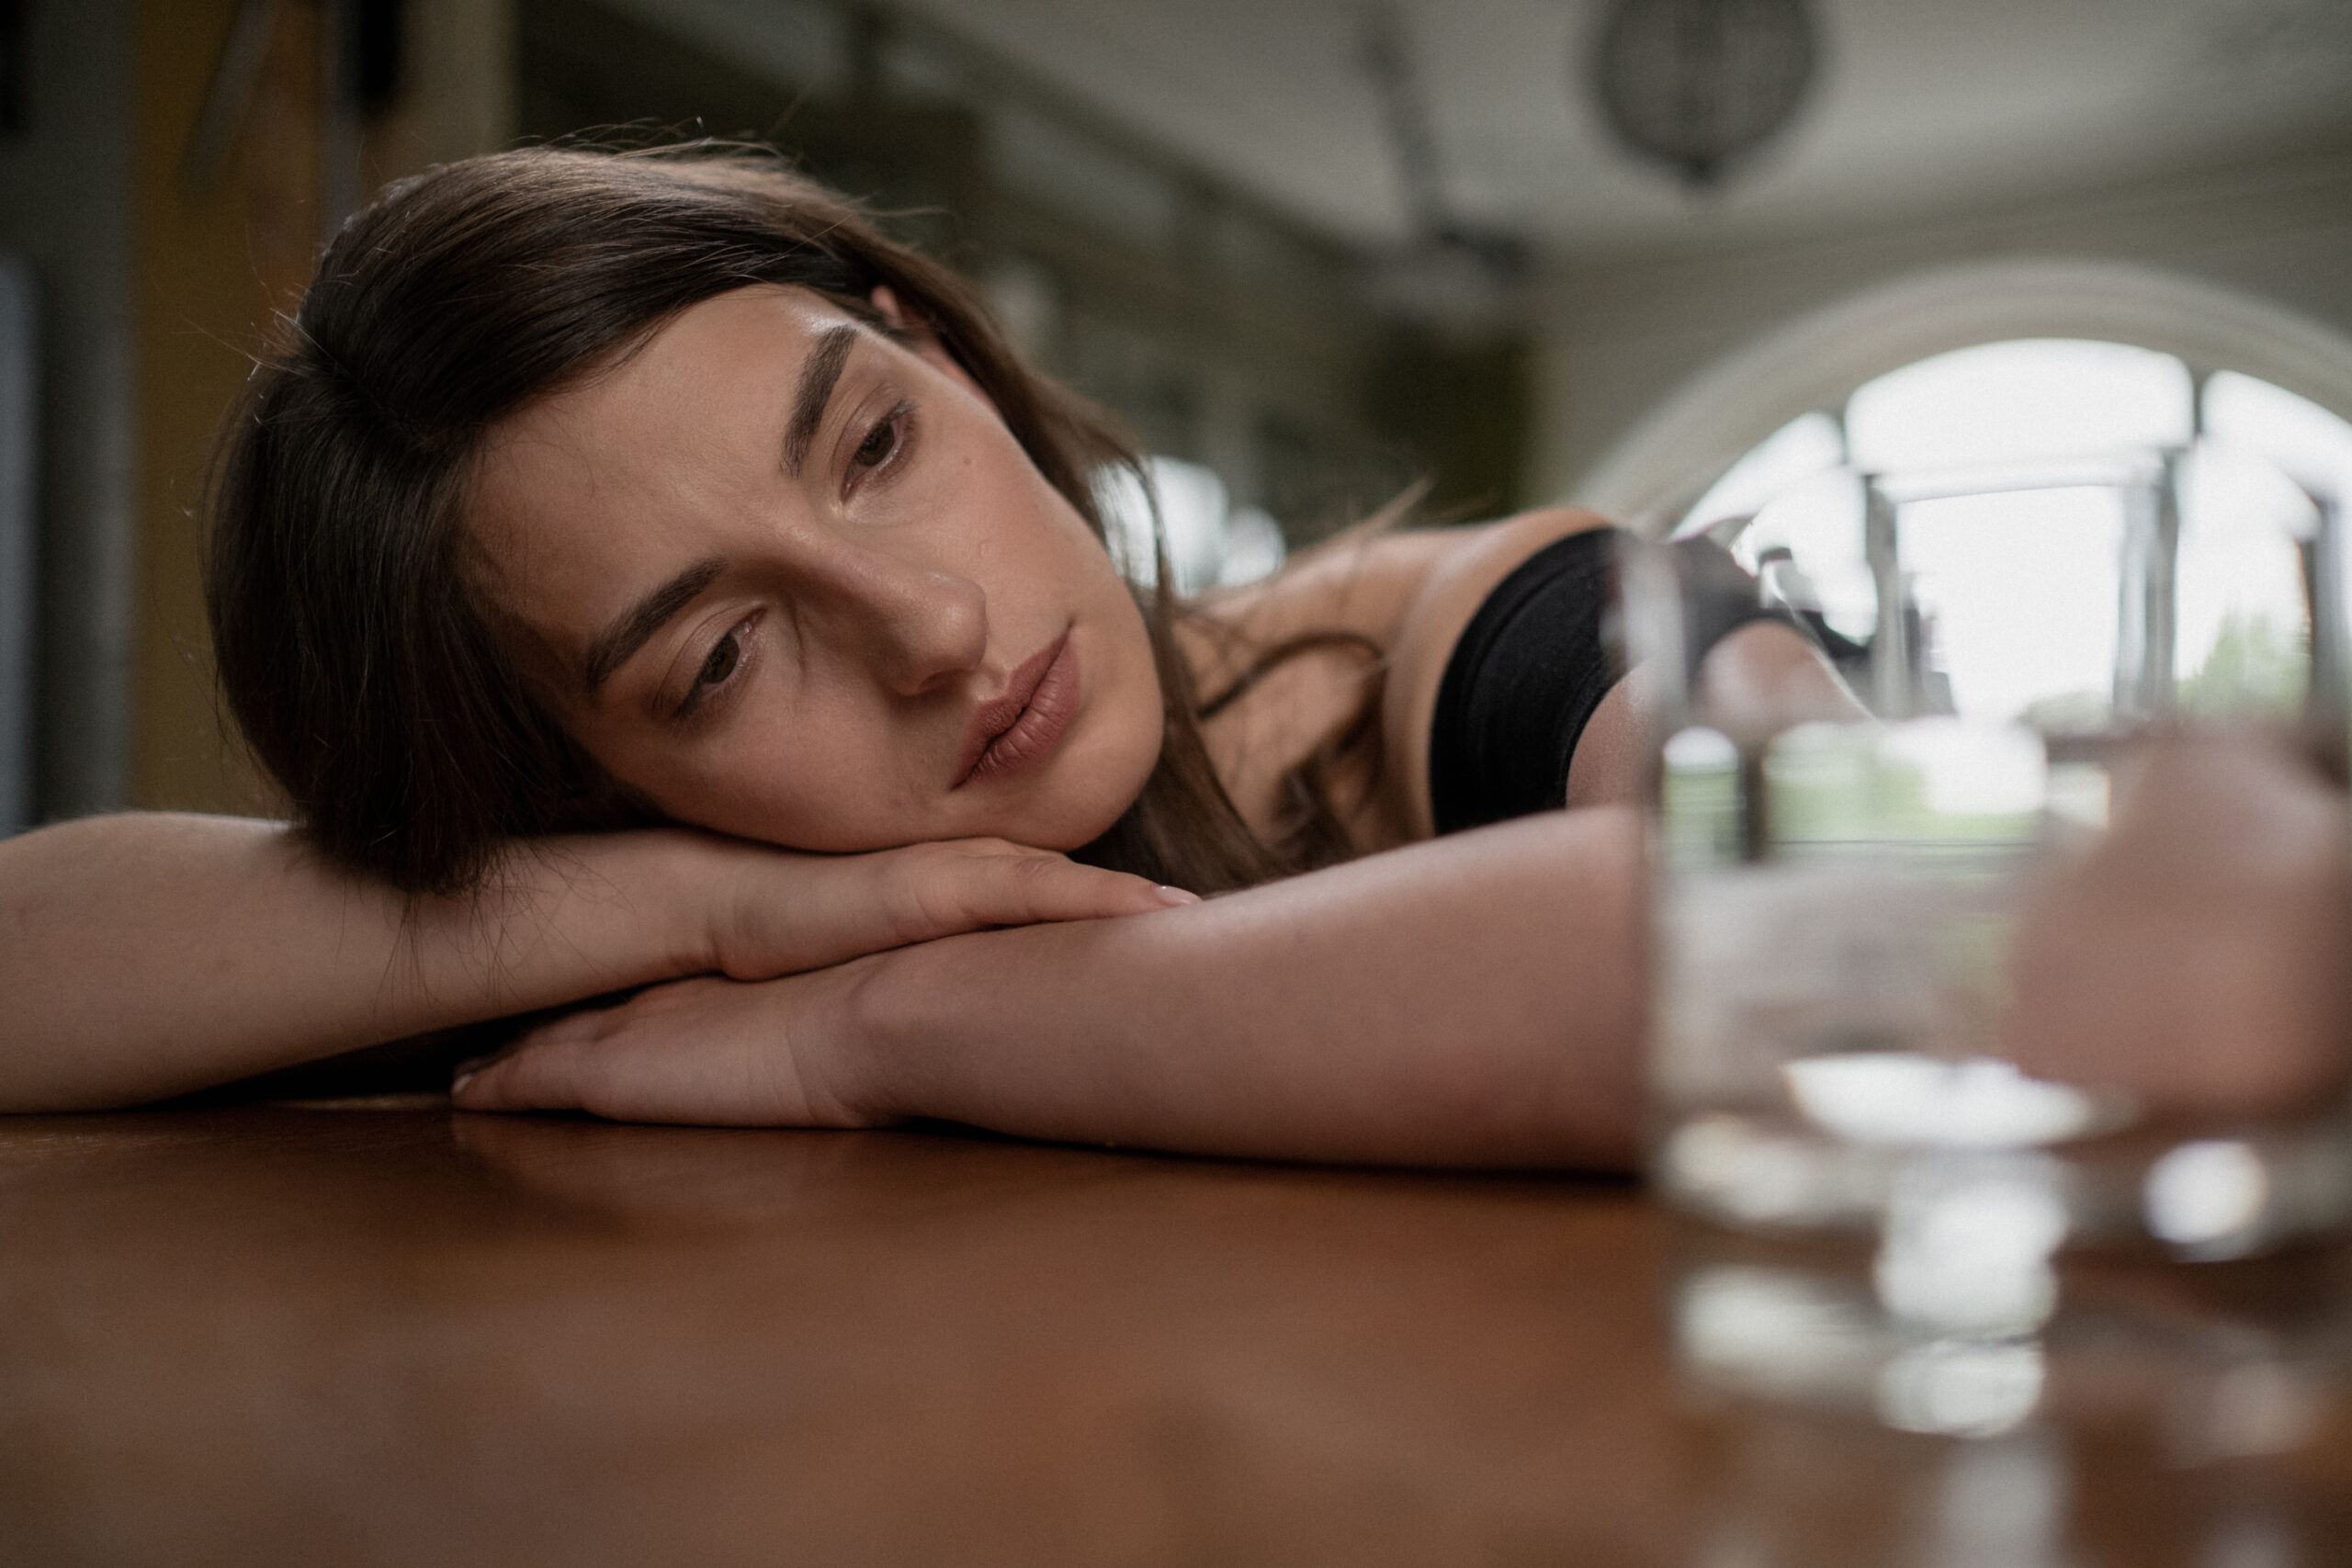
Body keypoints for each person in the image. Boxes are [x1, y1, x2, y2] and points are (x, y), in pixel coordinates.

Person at [0, 147, 2339, 1157]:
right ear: (580, 778)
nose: (929, 629)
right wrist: (708, 908)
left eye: (872, 442)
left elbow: (1867, 916)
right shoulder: (682, 909)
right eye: (717, 662)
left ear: (930, 344)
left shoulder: (1448, 639)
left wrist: (871, 1014)